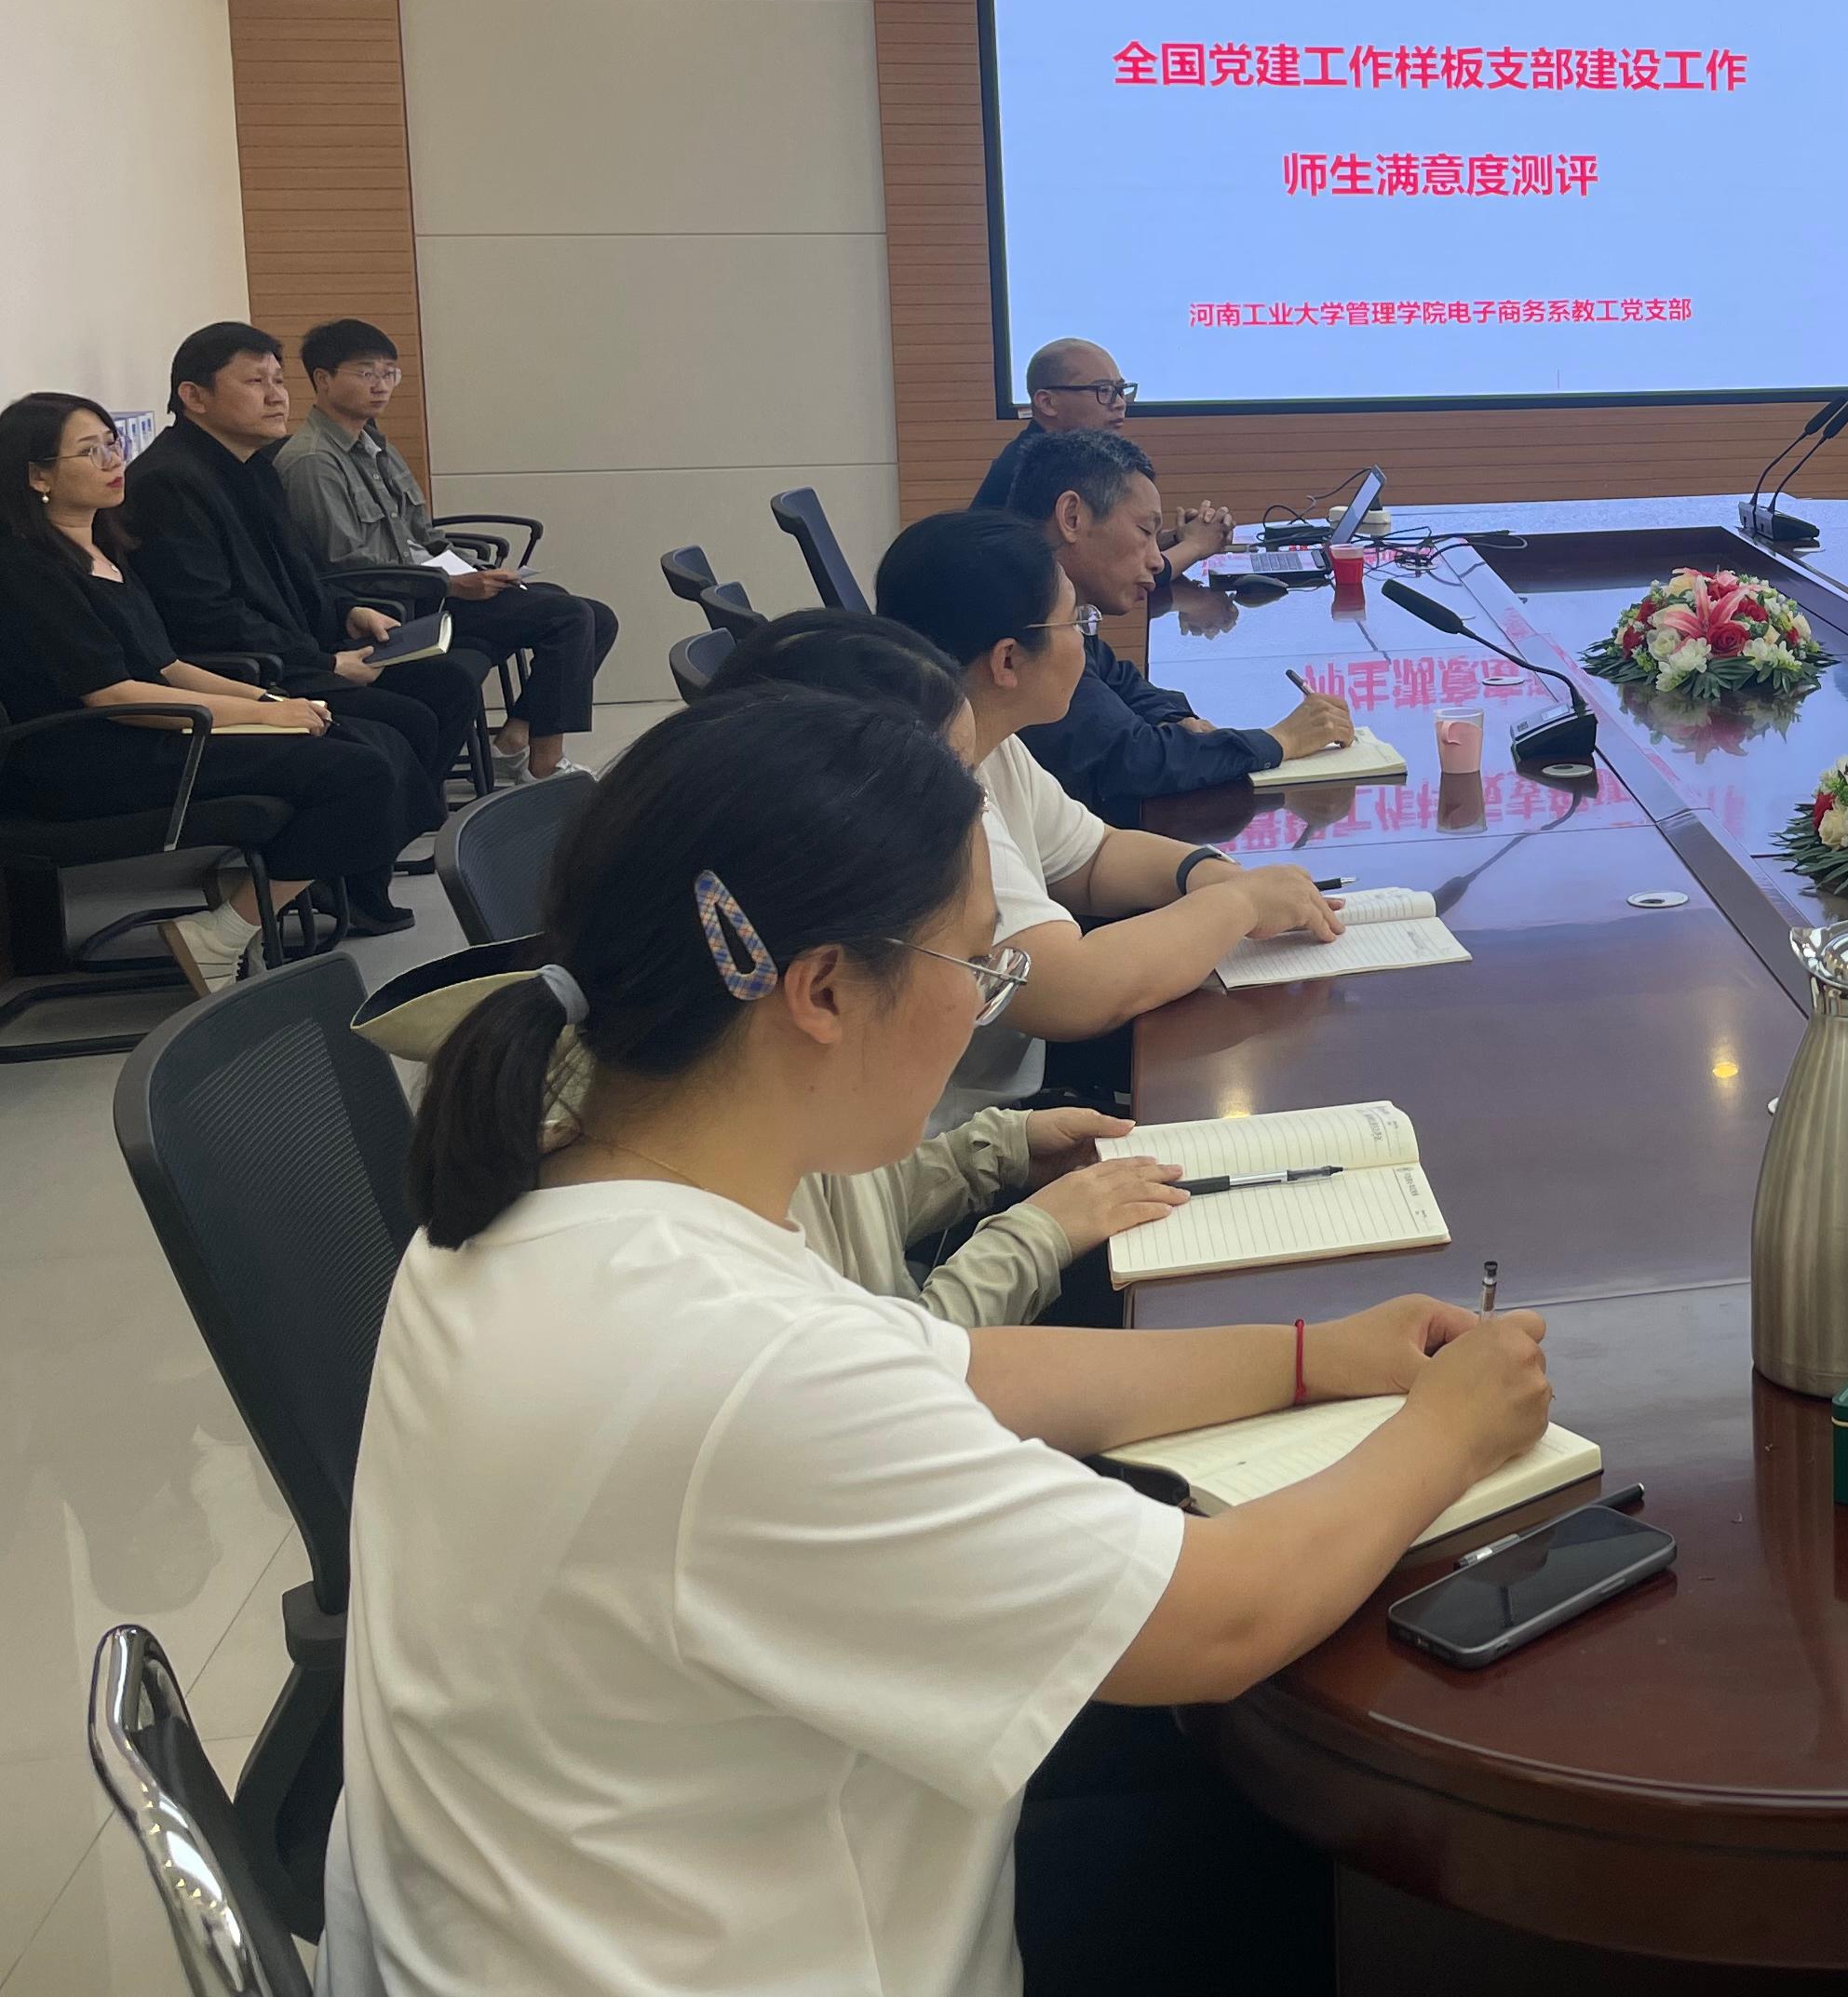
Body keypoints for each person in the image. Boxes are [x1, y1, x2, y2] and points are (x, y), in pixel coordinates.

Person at [331, 684, 1555, 1994]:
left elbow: (968, 1371)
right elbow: (1222, 1616)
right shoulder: (737, 1366)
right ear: (820, 990)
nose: (984, 1008)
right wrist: (1448, 1431)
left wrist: (1317, 1355)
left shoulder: (542, 1199)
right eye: (976, 968)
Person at [701, 609, 1195, 1321]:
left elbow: (857, 1210)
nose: (975, 811)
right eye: (971, 963)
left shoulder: (771, 1069)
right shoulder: (711, 1235)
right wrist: (1035, 1235)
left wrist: (997, 1152)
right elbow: (894, 1364)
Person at [874, 509, 1341, 1125]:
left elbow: (1092, 857)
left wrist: (1211, 873)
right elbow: (1073, 989)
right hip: (959, 1136)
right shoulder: (930, 793)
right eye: (1076, 622)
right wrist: (1242, 905)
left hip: (1016, 1093)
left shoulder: (988, 736)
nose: (1087, 641)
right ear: (1008, 662)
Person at [0, 393, 409, 992]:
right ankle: (224, 931)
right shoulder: (29, 569)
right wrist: (263, 718)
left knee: (352, 737)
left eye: (114, 443)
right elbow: (113, 697)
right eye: (90, 452)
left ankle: (233, 915)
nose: (114, 461)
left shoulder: (101, 547)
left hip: (152, 731)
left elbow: (169, 668)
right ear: (38, 476)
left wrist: (271, 705)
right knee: (356, 772)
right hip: (87, 758)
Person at [120, 323, 479, 926]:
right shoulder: (168, 482)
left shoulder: (253, 465)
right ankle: (340, 873)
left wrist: (347, 612)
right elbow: (206, 616)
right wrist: (323, 663)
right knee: (405, 718)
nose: (276, 395)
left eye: (277, 380)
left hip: (294, 647)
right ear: (194, 396)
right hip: (240, 672)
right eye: (254, 382)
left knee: (448, 683)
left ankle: (359, 859)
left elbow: (301, 570)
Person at [277, 317, 619, 782]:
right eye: (366, 373)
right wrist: (454, 586)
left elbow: (419, 534)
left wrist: (472, 570)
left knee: (594, 615)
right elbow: (348, 568)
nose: (381, 385)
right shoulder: (314, 461)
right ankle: (543, 767)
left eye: (389, 373)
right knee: (570, 616)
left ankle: (514, 739)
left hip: (429, 588)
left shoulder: (372, 444)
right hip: (391, 612)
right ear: (323, 379)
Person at [1005, 428, 1352, 822]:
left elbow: (1120, 681)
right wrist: (1283, 739)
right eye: (1144, 532)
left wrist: (1173, 719)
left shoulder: (1051, 597)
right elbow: (1135, 761)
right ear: (1072, 517)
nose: (1157, 560)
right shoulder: (1023, 621)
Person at [971, 339, 1231, 580]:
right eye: (1103, 390)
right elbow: (1115, 572)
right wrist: (1195, 545)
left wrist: (1177, 537)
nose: (1119, 403)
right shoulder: (1039, 467)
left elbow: (1106, 548)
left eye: (1121, 390)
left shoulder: (1062, 455)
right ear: (1047, 402)